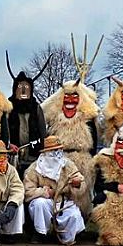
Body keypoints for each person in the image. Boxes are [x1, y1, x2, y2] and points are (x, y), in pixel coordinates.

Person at [41, 78, 99, 219]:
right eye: (67, 96)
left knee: (81, 190)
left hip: (82, 159)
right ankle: (59, 220)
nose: (70, 100)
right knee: (60, 189)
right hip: (60, 158)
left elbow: (94, 142)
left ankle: (81, 219)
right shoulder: (55, 119)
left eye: (74, 96)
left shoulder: (87, 118)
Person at [23, 135, 85, 245]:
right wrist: (44, 192)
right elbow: (28, 191)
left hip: (63, 202)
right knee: (39, 204)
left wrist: (76, 184)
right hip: (46, 201)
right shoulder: (35, 168)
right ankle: (41, 234)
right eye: (53, 151)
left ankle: (67, 237)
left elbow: (81, 182)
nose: (56, 154)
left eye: (58, 150)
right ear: (45, 153)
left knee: (74, 215)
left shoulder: (68, 165)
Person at [5, 51, 48, 180]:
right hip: (12, 156)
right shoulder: (8, 107)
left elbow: (42, 131)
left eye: (26, 87)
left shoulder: (36, 107)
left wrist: (43, 148)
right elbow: (4, 130)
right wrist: (8, 145)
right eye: (20, 87)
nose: (23, 90)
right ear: (15, 89)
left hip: (33, 156)